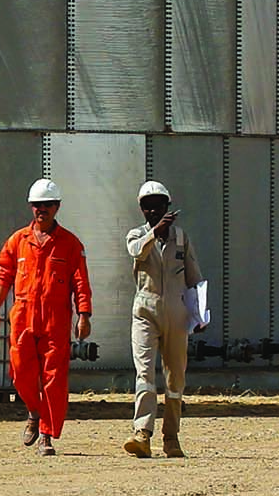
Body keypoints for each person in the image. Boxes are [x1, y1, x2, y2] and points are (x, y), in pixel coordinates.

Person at [0, 177, 93, 456]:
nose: (40, 210)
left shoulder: (70, 244)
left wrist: (84, 315)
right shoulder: (17, 240)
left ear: (57, 207)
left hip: (55, 319)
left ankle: (46, 434)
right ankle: (33, 411)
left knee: (54, 378)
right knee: (20, 371)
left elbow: (80, 282)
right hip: (22, 316)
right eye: (36, 205)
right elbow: (3, 277)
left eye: (46, 205)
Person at [122, 179, 203, 459]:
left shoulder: (180, 238)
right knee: (144, 374)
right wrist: (154, 233)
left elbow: (194, 276)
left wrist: (200, 313)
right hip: (146, 310)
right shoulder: (136, 236)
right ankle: (142, 432)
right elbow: (137, 252)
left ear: (167, 206)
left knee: (175, 377)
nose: (153, 212)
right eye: (147, 207)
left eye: (158, 207)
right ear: (141, 210)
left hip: (177, 314)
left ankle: (172, 436)